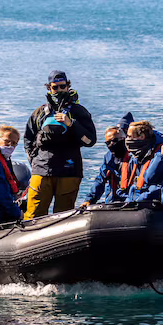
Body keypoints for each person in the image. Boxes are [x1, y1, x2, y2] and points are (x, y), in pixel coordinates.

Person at [22, 70, 96, 219]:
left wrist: (71, 124)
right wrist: (34, 161)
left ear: (67, 86)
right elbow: (28, 139)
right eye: (55, 87)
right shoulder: (40, 113)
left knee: (63, 216)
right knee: (33, 214)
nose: (59, 90)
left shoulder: (79, 112)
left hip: (69, 171)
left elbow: (90, 140)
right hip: (42, 170)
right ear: (49, 88)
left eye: (62, 86)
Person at [116, 120, 163, 203]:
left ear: (142, 136)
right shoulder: (135, 157)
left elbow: (154, 183)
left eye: (129, 136)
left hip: (150, 203)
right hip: (134, 201)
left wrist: (138, 200)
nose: (127, 139)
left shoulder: (159, 155)